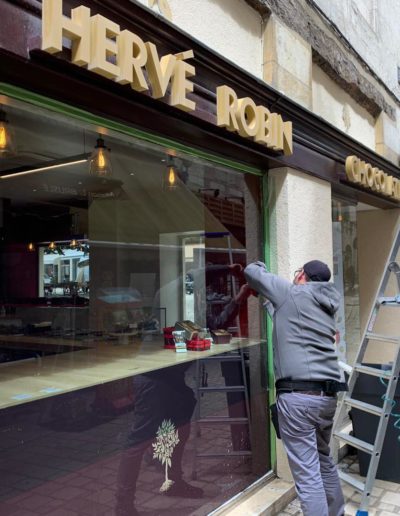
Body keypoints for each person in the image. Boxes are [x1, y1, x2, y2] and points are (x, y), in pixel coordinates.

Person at [244, 259, 346, 516]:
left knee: (308, 475)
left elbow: (252, 273)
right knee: (324, 461)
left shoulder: (292, 292)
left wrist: (259, 262)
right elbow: (288, 321)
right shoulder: (325, 306)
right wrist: (267, 299)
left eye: (296, 273)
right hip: (326, 398)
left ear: (301, 275)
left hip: (299, 400)